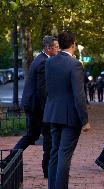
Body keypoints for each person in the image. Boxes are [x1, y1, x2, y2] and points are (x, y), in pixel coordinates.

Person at [0, 36, 59, 178]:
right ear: (48, 48)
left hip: (33, 106)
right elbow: (42, 90)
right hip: (37, 108)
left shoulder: (40, 59)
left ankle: (7, 162)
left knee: (32, 136)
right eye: (56, 47)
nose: (58, 49)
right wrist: (48, 111)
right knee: (47, 138)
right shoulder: (44, 62)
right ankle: (48, 171)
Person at [43, 31, 90, 189]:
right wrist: (85, 120)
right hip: (70, 116)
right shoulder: (75, 64)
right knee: (64, 155)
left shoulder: (49, 62)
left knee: (54, 153)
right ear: (73, 44)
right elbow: (79, 95)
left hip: (53, 113)